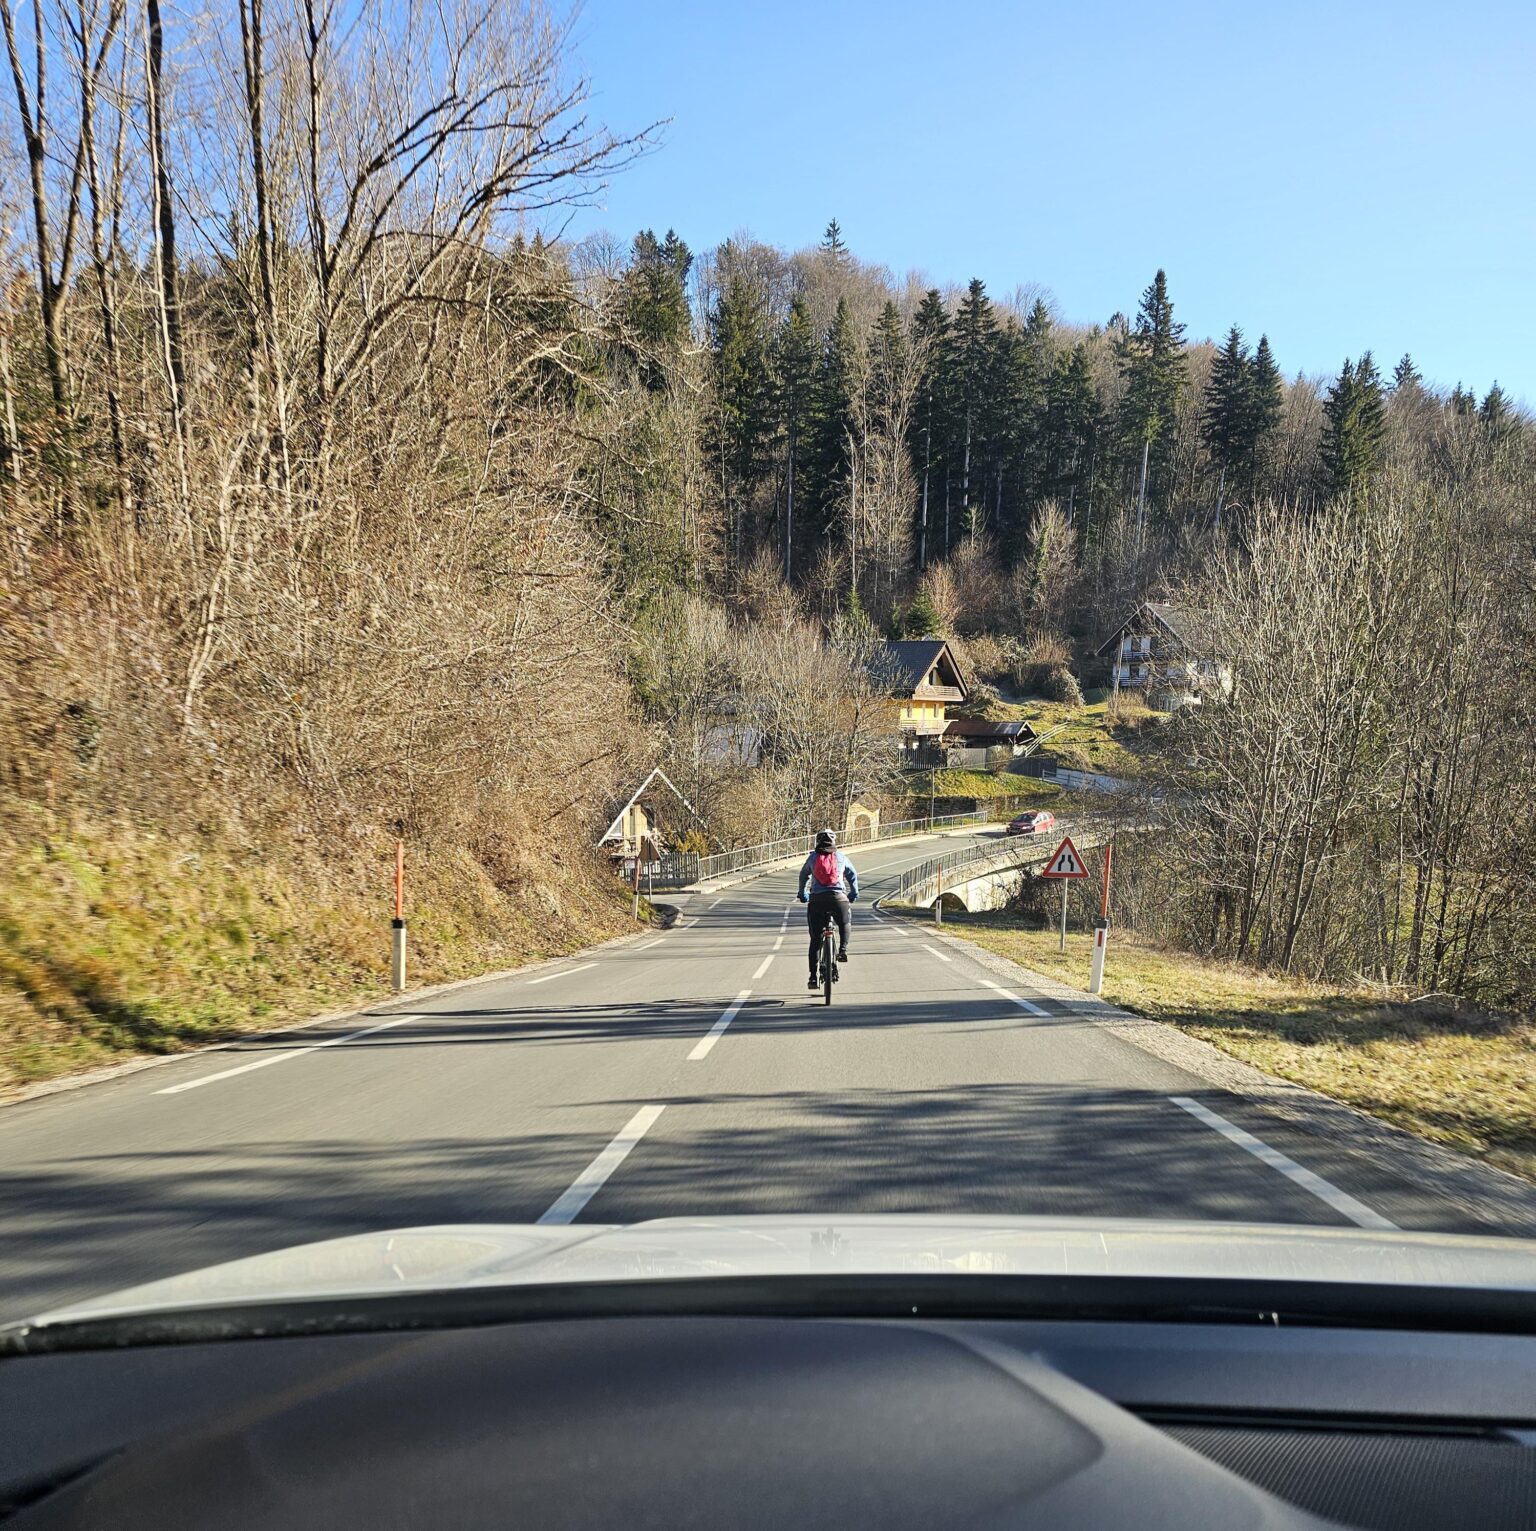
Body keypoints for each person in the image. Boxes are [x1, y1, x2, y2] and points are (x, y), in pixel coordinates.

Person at [797, 829, 859, 989]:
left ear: (817, 842)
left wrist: (802, 893)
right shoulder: (841, 857)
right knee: (845, 922)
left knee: (815, 940)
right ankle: (843, 949)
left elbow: (803, 876)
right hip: (838, 899)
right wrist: (853, 893)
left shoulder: (812, 857)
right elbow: (852, 875)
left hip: (817, 900)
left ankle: (812, 977)